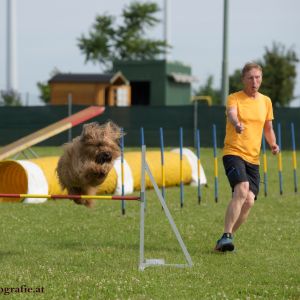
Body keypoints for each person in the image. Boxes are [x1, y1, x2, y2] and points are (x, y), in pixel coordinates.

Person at [215, 62, 280, 252]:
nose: (254, 81)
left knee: (249, 200)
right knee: (242, 189)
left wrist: (273, 144)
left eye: (258, 77)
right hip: (233, 152)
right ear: (243, 79)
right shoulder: (234, 98)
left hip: (254, 158)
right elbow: (232, 114)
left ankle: (225, 239)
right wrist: (236, 124)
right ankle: (227, 235)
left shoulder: (266, 101)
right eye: (250, 77)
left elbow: (268, 128)